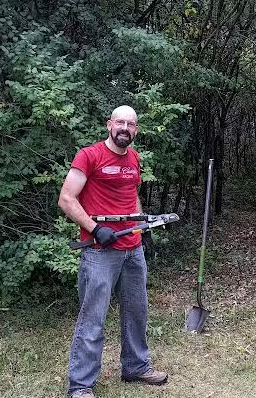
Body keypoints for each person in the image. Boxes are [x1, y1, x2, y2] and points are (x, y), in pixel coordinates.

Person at [58, 105, 168, 398]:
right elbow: (67, 199)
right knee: (92, 318)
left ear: (135, 130)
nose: (125, 128)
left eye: (130, 124)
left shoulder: (134, 158)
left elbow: (132, 197)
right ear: (109, 125)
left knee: (137, 312)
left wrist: (142, 229)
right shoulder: (89, 156)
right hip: (100, 252)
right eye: (120, 122)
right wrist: (94, 229)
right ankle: (81, 385)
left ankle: (136, 366)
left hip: (132, 250)